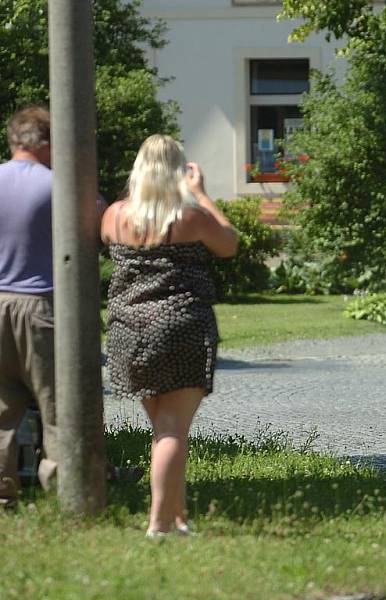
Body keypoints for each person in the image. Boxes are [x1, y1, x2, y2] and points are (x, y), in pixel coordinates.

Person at [100, 134, 238, 536]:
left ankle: (177, 518)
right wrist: (203, 195)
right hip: (180, 327)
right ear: (176, 170)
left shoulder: (114, 216)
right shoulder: (188, 216)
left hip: (128, 330)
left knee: (162, 429)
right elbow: (228, 245)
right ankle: (159, 523)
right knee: (173, 430)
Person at [0, 106, 58, 510]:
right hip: (41, 306)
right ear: (48, 142)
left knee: (1, 408)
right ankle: (68, 492)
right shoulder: (60, 186)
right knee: (59, 404)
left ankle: (2, 496)